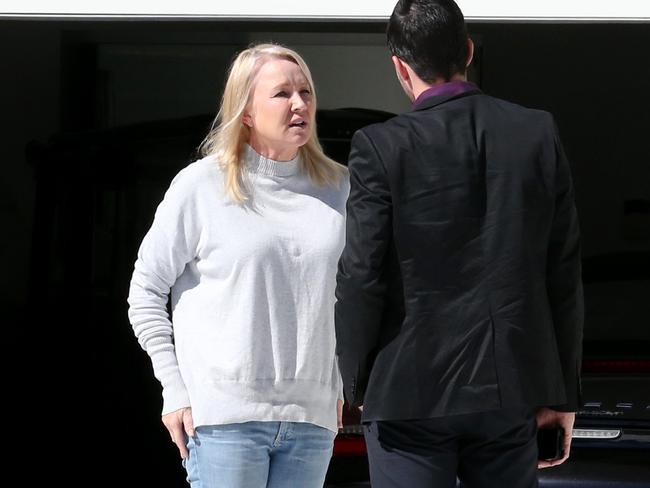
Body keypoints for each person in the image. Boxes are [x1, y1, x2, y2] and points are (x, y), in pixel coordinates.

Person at [334, 1, 584, 487]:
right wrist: (562, 395)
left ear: (400, 67)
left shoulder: (380, 146)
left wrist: (355, 381)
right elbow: (563, 271)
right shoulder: (535, 132)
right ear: (468, 51)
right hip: (509, 387)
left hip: (408, 392)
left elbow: (362, 274)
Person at [127, 43, 348, 488]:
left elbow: (352, 293)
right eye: (282, 93)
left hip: (312, 419)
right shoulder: (202, 185)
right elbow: (145, 292)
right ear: (246, 110)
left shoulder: (340, 187)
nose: (300, 103)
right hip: (225, 420)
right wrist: (174, 389)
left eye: (306, 91)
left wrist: (341, 384)